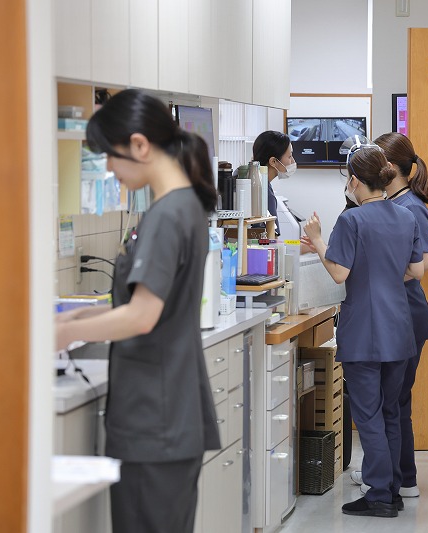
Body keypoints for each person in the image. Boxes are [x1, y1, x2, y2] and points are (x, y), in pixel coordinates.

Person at [54, 89, 220, 533]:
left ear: (140, 145)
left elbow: (141, 317)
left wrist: (62, 335)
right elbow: (141, 306)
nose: (109, 167)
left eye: (111, 155)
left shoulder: (168, 214)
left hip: (155, 421)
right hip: (165, 417)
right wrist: (75, 319)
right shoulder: (183, 206)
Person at [301, 144, 424, 518]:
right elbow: (417, 270)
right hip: (399, 327)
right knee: (390, 412)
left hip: (366, 330)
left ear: (354, 181)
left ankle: (379, 495)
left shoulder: (352, 221)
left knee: (368, 415)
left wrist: (317, 239)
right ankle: (393, 490)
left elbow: (339, 273)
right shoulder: (406, 217)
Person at [345, 132, 428, 499]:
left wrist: (378, 271)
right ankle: (393, 477)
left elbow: (423, 264)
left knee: (391, 403)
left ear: (389, 167)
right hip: (393, 313)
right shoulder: (392, 206)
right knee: (391, 403)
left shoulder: (409, 208)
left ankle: (397, 479)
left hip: (402, 313)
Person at [251, 130, 297, 236]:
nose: (293, 161)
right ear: (273, 161)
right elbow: (272, 238)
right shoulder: (264, 192)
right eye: (289, 156)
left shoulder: (254, 180)